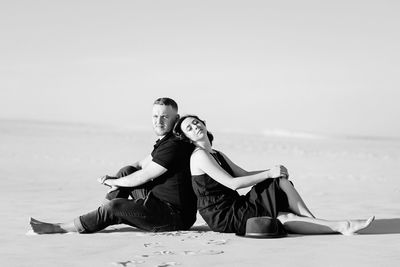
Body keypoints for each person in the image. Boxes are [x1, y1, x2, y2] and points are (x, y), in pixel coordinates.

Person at [173, 115, 374, 235]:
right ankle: (333, 225)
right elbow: (234, 183)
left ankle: (324, 224)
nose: (195, 127)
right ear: (188, 138)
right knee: (278, 203)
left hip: (235, 205)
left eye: (196, 122)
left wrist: (272, 171)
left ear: (204, 123)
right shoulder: (199, 156)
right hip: (224, 215)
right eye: (189, 128)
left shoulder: (216, 153)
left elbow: (243, 173)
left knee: (281, 207)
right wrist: (269, 173)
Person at [30, 98, 197, 234]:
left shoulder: (175, 145)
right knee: (127, 171)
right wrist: (116, 178)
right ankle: (100, 215)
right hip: (159, 202)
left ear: (176, 118)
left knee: (116, 206)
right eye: (155, 116)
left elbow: (144, 176)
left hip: (174, 217)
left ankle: (60, 227)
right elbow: (139, 165)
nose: (159, 121)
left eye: (165, 117)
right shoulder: (167, 141)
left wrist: (114, 182)